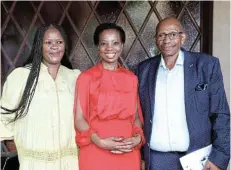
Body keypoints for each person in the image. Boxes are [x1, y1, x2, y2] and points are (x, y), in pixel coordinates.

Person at [136, 17, 230, 170]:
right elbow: (137, 116)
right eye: (161, 35)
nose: (167, 40)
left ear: (183, 37)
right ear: (156, 40)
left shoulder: (206, 65)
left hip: (197, 160)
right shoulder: (144, 70)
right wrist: (140, 157)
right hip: (156, 160)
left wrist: (219, 158)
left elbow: (221, 114)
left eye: (172, 34)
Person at [0, 24, 81, 170]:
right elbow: (4, 115)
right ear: (39, 46)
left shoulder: (74, 77)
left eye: (59, 42)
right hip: (34, 163)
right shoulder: (21, 76)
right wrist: (12, 144)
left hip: (71, 163)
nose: (55, 46)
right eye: (48, 42)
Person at [74, 23, 145, 170]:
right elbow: (79, 119)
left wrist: (137, 138)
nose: (109, 48)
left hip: (128, 150)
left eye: (115, 43)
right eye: (103, 43)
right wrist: (99, 141)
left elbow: (137, 117)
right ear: (97, 47)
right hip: (96, 148)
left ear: (122, 45)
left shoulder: (131, 78)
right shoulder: (85, 78)